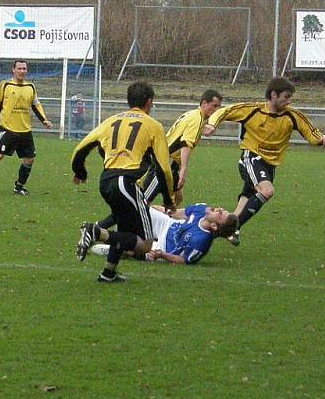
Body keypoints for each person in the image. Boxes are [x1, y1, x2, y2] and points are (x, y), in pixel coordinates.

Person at [203, 76, 325, 244]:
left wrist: (320, 139)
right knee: (266, 190)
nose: (288, 101)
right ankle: (233, 228)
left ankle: (219, 229)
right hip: (252, 157)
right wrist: (212, 124)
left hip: (270, 165)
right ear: (273, 95)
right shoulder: (253, 110)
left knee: (247, 198)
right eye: (286, 97)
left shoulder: (292, 116)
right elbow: (224, 111)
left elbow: (310, 131)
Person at [71, 81, 175, 283]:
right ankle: (95, 232)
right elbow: (163, 167)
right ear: (149, 102)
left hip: (106, 181)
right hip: (127, 182)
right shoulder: (153, 125)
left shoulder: (110, 121)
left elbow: (81, 148)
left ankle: (108, 273)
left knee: (125, 230)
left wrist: (80, 172)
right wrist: (169, 199)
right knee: (145, 243)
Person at [96, 88, 223, 230]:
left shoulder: (194, 115)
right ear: (204, 103)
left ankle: (157, 227)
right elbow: (186, 143)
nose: (216, 109)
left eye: (219, 107)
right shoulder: (197, 119)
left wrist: (204, 129)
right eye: (215, 106)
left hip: (171, 164)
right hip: (164, 164)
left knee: (176, 199)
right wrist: (183, 169)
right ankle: (102, 228)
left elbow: (185, 132)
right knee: (140, 203)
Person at [0, 59, 52, 196]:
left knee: (29, 159)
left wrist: (44, 120)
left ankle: (19, 187)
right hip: (8, 129)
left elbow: (36, 105)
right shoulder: (5, 85)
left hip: (25, 130)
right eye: (19, 68)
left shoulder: (30, 87)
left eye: (24, 69)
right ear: (13, 70)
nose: (22, 71)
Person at [91, 204, 238, 265]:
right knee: (137, 207)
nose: (219, 210)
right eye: (222, 210)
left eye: (220, 215)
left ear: (213, 226)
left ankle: (119, 247)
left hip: (164, 247)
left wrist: (162, 255)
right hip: (167, 224)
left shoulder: (202, 241)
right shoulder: (202, 210)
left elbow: (183, 260)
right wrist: (164, 210)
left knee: (139, 250)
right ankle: (101, 228)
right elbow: (178, 213)